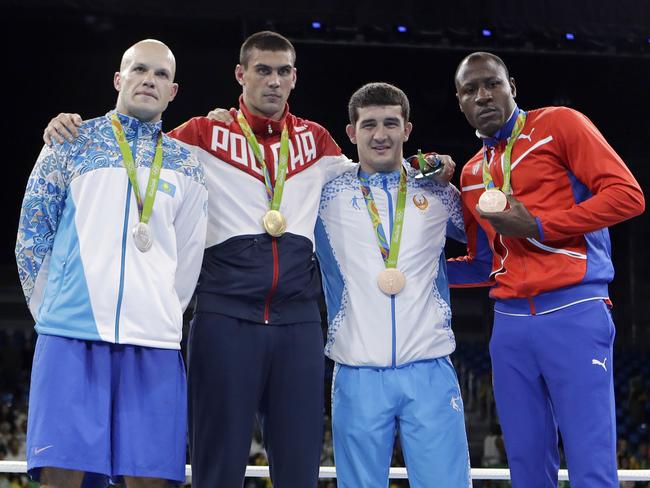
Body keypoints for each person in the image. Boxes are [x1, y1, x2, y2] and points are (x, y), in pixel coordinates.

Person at [42, 31, 356, 487]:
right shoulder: (200, 135)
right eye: (262, 70)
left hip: (298, 322)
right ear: (240, 74)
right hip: (224, 318)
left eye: (282, 71)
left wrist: (426, 170)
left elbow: (368, 175)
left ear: (294, 78)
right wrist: (68, 127)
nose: (273, 80)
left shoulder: (317, 141)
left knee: (300, 470)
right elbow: (133, 144)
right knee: (217, 469)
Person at [447, 51, 645, 487]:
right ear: (459, 102)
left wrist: (539, 226)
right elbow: (484, 264)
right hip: (510, 326)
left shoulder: (559, 125)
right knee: (526, 465)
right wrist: (418, 272)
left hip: (575, 311)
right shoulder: (472, 173)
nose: (483, 96)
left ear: (512, 87)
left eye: (492, 84)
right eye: (469, 90)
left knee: (590, 463)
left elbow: (628, 196)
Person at [17, 39, 208, 487]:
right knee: (63, 475)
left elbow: (187, 259)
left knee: (148, 476)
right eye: (140, 70)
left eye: (161, 74)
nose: (150, 79)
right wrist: (54, 311)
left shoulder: (187, 165)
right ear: (119, 79)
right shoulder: (71, 141)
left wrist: (158, 311)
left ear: (173, 91)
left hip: (153, 342)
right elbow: (32, 234)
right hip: (70, 333)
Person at [315, 82, 471, 487]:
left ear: (407, 129)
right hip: (356, 371)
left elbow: (492, 243)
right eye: (368, 125)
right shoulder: (324, 194)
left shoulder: (439, 191)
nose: (380, 135)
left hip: (430, 368)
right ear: (351, 132)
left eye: (390, 123)